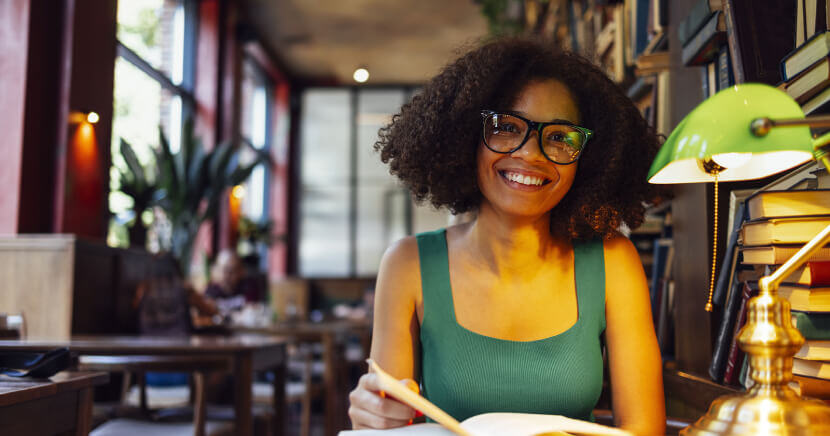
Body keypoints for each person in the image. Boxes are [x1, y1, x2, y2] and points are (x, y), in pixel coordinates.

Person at [347, 37, 666, 435]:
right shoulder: (408, 264)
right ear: (465, 140)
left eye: (559, 137)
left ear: (587, 158)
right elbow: (389, 422)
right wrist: (372, 418)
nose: (531, 154)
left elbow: (643, 429)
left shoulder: (613, 260)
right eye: (506, 127)